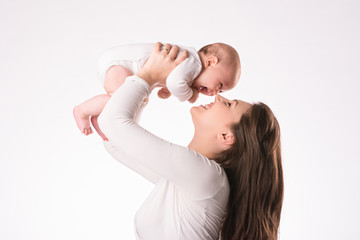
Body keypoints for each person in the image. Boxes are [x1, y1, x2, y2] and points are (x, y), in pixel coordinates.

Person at [97, 43, 284, 240]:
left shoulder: (206, 177)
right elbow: (117, 144)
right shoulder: (196, 180)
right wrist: (147, 82)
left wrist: (149, 75)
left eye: (229, 104)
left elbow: (112, 124)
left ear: (226, 136)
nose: (219, 97)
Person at [73, 42, 241, 141]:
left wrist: (166, 88)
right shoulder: (194, 62)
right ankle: (82, 111)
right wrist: (191, 95)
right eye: (219, 85)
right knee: (117, 101)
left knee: (127, 105)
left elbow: (171, 79)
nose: (215, 93)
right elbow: (176, 83)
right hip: (121, 64)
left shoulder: (189, 66)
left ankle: (99, 119)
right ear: (211, 62)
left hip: (120, 64)